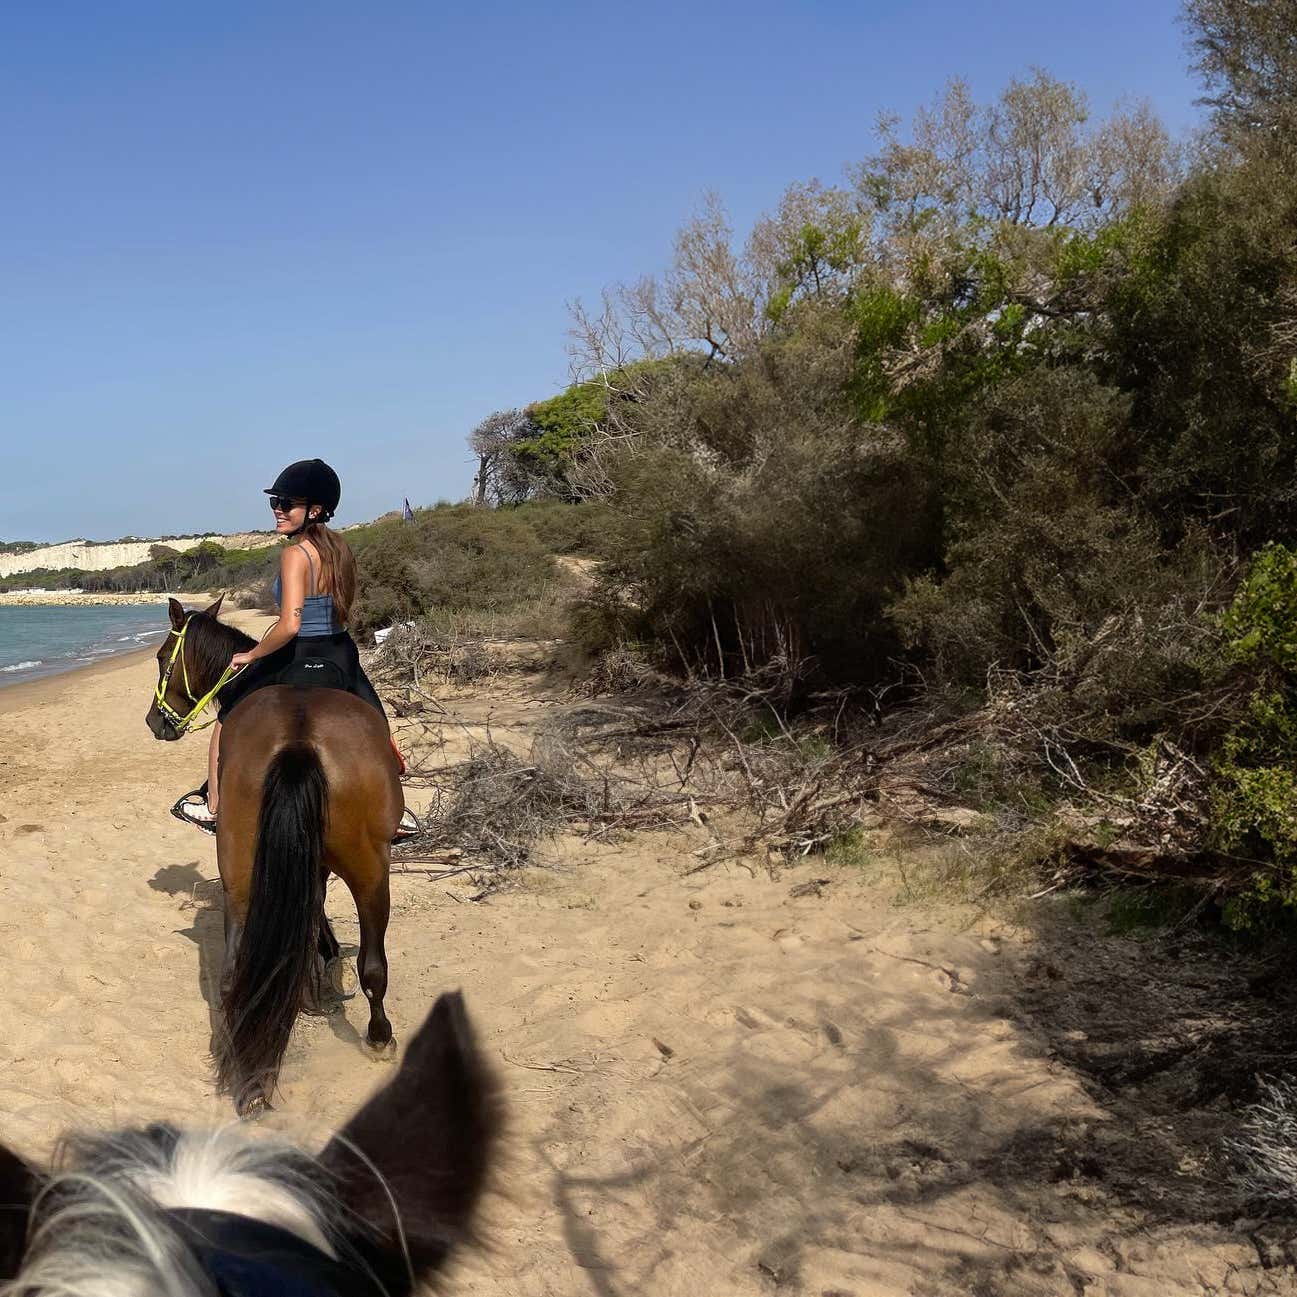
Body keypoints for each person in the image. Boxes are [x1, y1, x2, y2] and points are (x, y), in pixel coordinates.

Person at [176, 459, 416, 839]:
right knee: (374, 718)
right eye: (275, 502)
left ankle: (213, 807)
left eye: (286, 503)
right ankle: (397, 811)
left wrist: (252, 655)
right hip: (340, 653)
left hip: (301, 654)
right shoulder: (340, 550)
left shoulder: (295, 555)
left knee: (227, 717)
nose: (278, 509)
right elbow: (341, 610)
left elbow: (290, 626)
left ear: (314, 510)